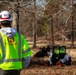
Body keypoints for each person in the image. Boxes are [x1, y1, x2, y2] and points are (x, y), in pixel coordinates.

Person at [0, 10, 33, 75]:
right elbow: (27, 56)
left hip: (2, 69)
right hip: (16, 70)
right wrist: (21, 66)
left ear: (0, 23)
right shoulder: (20, 37)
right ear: (11, 22)